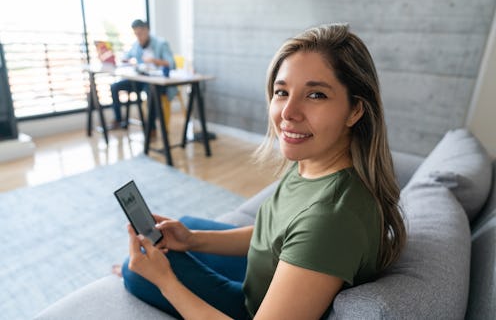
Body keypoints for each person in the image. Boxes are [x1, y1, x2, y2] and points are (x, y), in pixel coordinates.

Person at [120, 23, 406, 320]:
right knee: (182, 228)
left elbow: (308, 237)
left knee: (136, 271)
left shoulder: (331, 220)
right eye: (282, 92)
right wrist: (192, 238)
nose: (288, 112)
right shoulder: (314, 162)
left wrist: (164, 283)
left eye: (316, 95)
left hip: (251, 308)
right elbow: (272, 235)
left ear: (355, 110)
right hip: (264, 276)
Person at [110, 19, 177, 131]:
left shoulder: (161, 43)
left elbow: (171, 64)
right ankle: (118, 119)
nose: (138, 36)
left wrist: (154, 60)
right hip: (141, 79)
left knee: (151, 91)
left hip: (158, 81)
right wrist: (122, 59)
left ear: (147, 30)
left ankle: (151, 128)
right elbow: (127, 56)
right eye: (136, 34)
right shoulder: (137, 45)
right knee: (115, 87)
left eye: (140, 33)